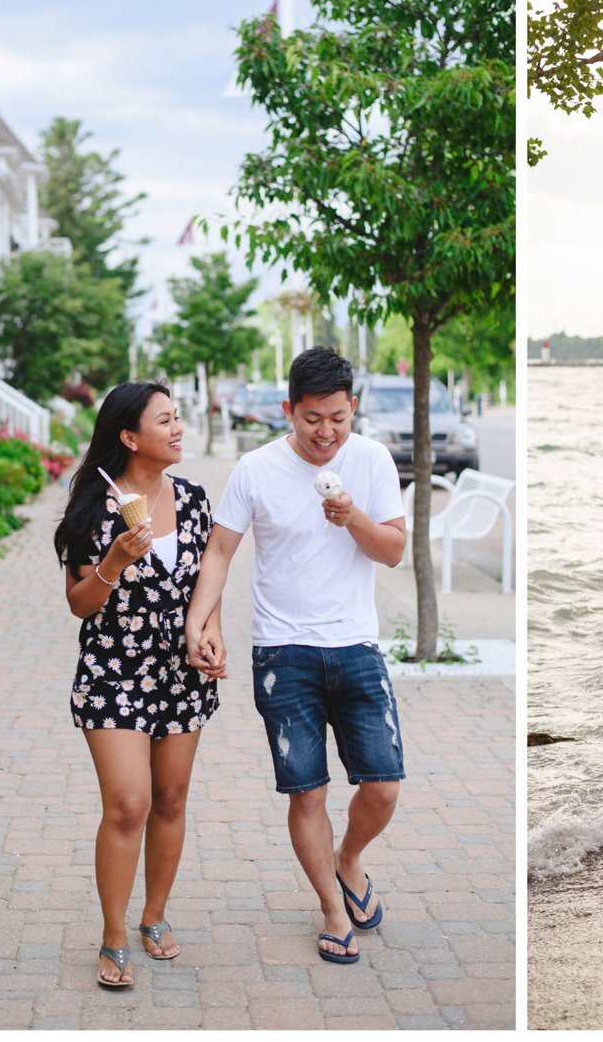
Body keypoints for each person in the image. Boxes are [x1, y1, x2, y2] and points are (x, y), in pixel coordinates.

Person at [186, 347, 406, 965]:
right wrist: (197, 622)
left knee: (384, 786)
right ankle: (332, 908)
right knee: (306, 793)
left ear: (352, 408)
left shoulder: (372, 460)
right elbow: (220, 553)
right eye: (312, 417)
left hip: (356, 645)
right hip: (283, 652)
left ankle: (349, 860)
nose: (325, 432)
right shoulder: (255, 470)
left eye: (337, 416)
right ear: (289, 410)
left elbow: (391, 550)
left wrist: (352, 518)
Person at [54, 382, 224, 988]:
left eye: (178, 418)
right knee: (130, 803)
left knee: (172, 798)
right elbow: (80, 604)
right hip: (113, 672)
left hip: (179, 675)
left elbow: (207, 583)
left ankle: (154, 917)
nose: (178, 429)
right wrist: (116, 561)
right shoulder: (92, 507)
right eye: (165, 421)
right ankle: (114, 934)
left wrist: (210, 635)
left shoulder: (197, 501)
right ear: (129, 437)